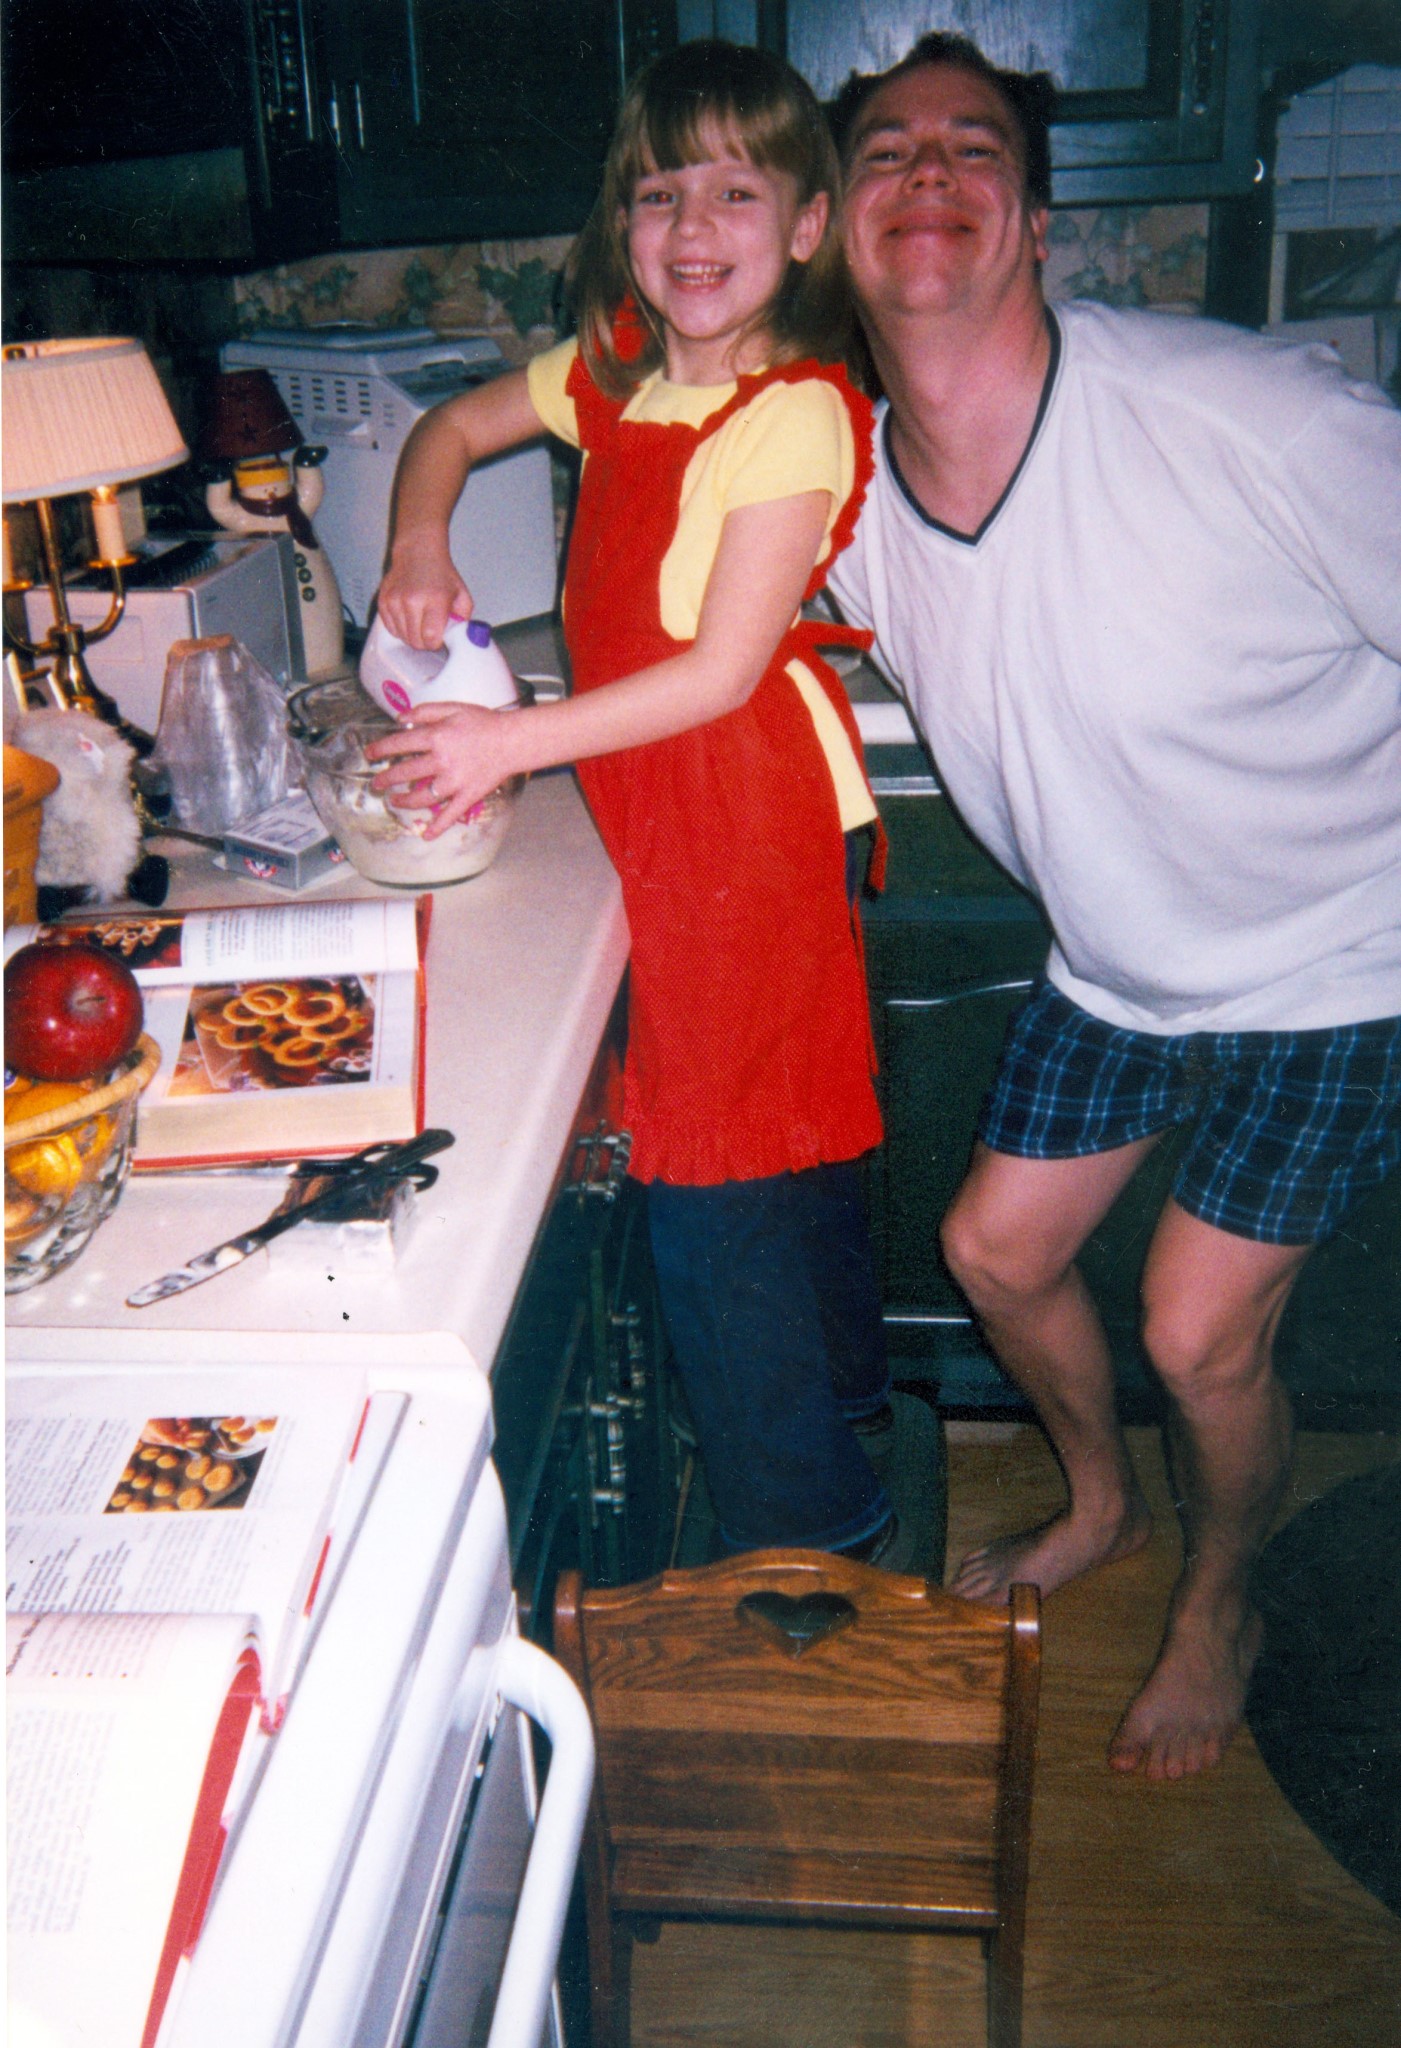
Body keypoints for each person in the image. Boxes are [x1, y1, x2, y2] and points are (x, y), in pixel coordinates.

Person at [825, 32, 1401, 1779]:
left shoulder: (1244, 419)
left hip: (1338, 952)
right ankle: (1102, 1503)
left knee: (1192, 1332)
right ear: (830, 227)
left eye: (972, 148)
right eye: (884, 152)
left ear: (1032, 223)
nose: (929, 174)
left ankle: (1218, 1602)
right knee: (993, 1252)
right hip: (1123, 961)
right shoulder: (835, 486)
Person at [369, 40, 902, 1562]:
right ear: (625, 220)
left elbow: (719, 673)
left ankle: (814, 1545)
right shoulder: (615, 371)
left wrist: (504, 744)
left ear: (807, 225)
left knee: (714, 1186)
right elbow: (446, 431)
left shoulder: (792, 410)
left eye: (736, 191)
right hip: (659, 809)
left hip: (743, 822)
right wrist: (418, 542)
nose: (692, 227)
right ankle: (849, 1421)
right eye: (660, 192)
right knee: (777, 1151)